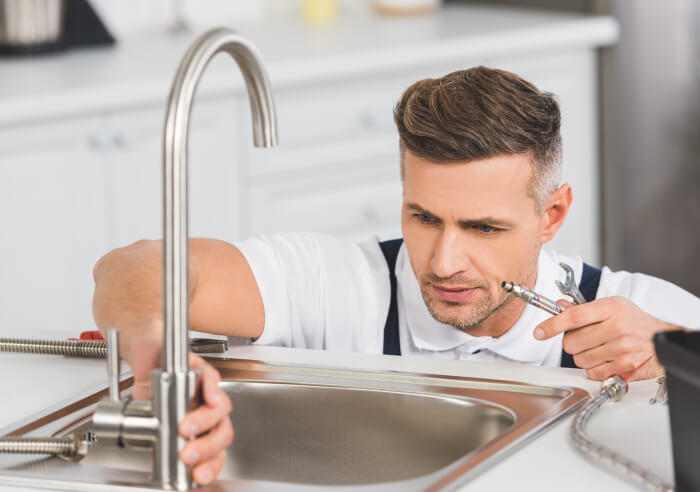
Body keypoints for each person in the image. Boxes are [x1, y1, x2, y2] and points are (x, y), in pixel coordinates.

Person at [92, 66, 700, 484]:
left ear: (553, 214)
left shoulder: (647, 315)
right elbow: (136, 266)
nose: (442, 262)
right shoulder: (341, 284)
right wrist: (152, 346)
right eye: (424, 217)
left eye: (484, 228)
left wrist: (678, 355)